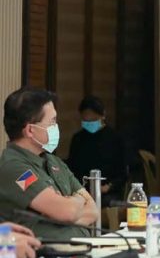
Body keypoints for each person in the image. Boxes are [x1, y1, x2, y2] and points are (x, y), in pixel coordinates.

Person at [0, 88, 97, 240]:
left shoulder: (54, 161)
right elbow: (67, 212)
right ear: (30, 130)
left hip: (80, 248)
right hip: (42, 253)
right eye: (52, 121)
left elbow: (93, 211)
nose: (56, 126)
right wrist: (77, 200)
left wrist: (63, 213)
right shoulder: (14, 168)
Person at [66, 95, 132, 206]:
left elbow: (122, 173)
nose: (89, 123)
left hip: (108, 192)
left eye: (93, 120)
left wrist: (107, 187)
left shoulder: (115, 139)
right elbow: (72, 168)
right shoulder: (78, 139)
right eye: (86, 120)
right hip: (82, 191)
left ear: (103, 115)